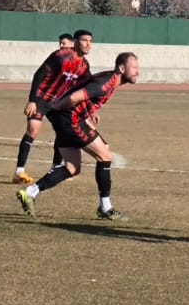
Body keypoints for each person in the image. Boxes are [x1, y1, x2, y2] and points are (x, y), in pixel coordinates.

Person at [16, 51, 138, 221]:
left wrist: (84, 113)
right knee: (104, 156)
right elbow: (74, 97)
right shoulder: (106, 82)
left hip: (67, 120)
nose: (137, 71)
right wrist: (59, 110)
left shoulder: (110, 80)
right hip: (70, 120)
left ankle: (30, 192)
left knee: (72, 168)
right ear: (122, 67)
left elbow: (82, 97)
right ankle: (105, 207)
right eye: (134, 67)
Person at [13, 31, 91, 184]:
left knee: (62, 133)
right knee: (33, 130)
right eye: (84, 40)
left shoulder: (84, 66)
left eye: (90, 41)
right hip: (42, 99)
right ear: (75, 42)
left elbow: (86, 90)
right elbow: (38, 74)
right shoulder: (60, 56)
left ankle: (55, 168)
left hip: (59, 103)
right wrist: (32, 100)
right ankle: (19, 171)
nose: (88, 44)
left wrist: (89, 112)